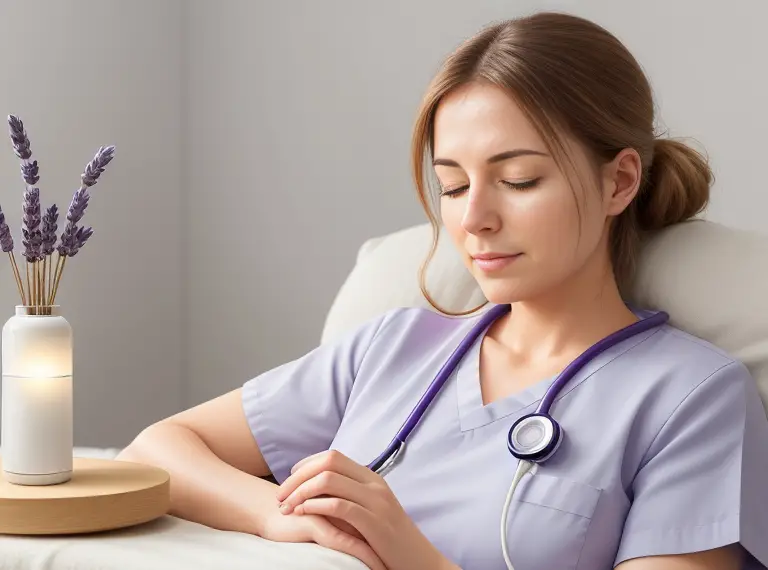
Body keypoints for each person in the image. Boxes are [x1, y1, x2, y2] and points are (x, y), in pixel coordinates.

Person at [116, 11, 768, 570]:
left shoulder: (692, 398)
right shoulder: (392, 348)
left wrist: (414, 556)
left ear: (619, 182)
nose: (473, 217)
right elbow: (157, 450)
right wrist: (274, 515)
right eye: (452, 186)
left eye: (517, 179)